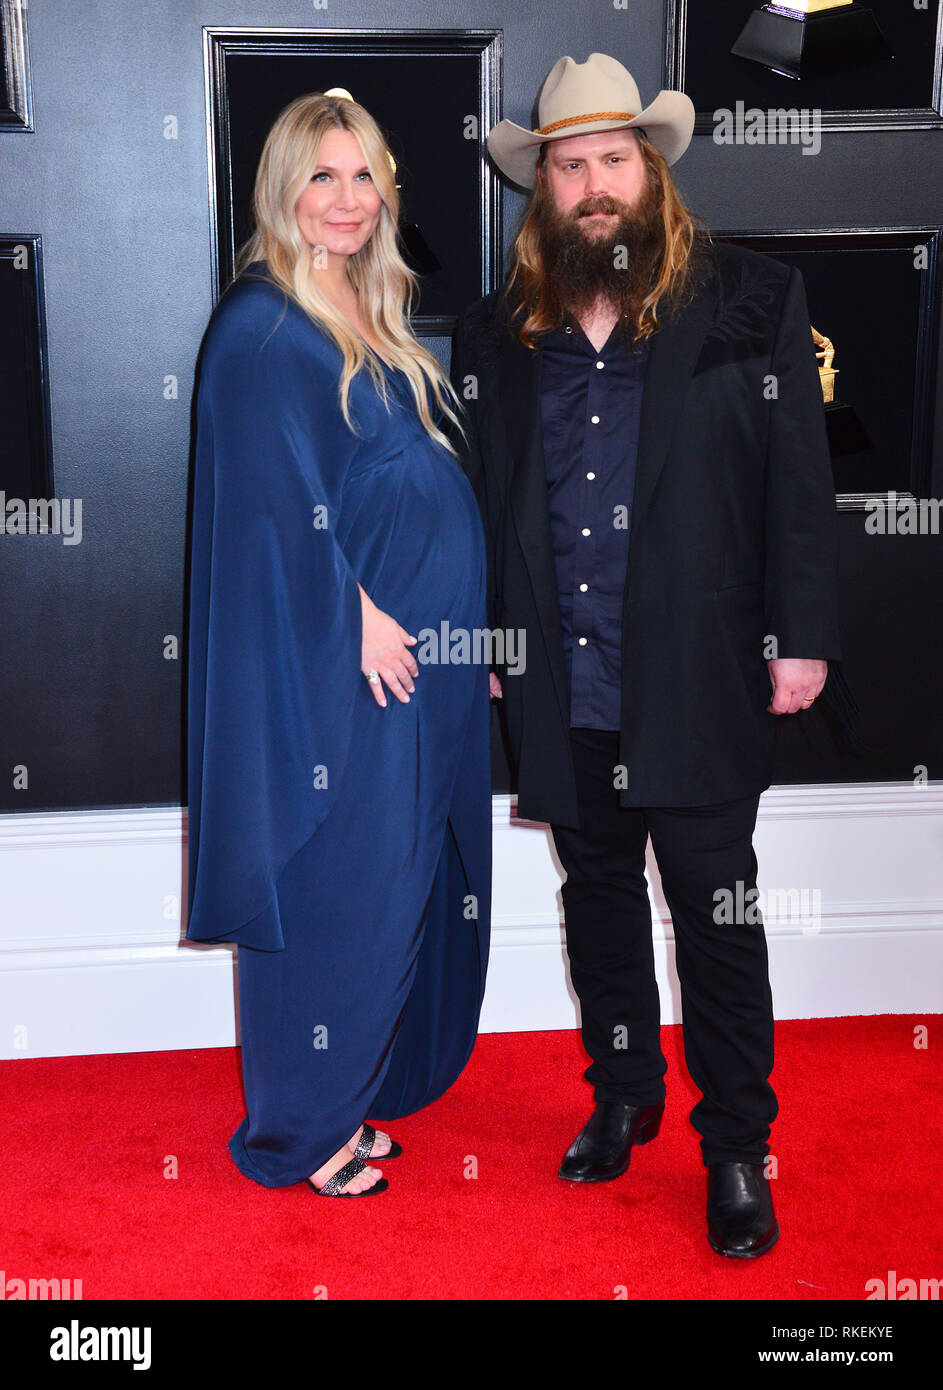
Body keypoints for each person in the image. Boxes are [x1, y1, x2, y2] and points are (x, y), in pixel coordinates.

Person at [452, 53, 842, 1255]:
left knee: (718, 917)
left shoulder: (750, 300)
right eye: (569, 164)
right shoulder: (498, 330)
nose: (592, 183)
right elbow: (482, 499)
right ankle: (623, 1094)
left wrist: (804, 636)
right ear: (546, 191)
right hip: (567, 675)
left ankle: (737, 1147)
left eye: (612, 157)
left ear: (651, 169)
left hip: (702, 672)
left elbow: (798, 487)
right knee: (602, 901)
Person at [185, 92, 491, 1197]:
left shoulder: (362, 302)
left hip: (420, 658)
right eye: (324, 176)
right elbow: (264, 514)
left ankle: (348, 1095)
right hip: (345, 667)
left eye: (365, 178)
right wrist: (352, 608)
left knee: (399, 873)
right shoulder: (262, 324)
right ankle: (300, 1130)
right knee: (333, 881)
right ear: (284, 189)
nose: (349, 200)